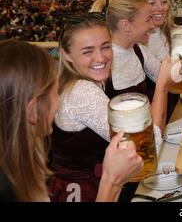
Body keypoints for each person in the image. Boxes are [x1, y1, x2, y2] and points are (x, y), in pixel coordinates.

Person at [0, 40, 143, 202]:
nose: (59, 102)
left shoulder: (24, 158)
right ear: (32, 111)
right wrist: (112, 181)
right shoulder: (7, 190)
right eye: (56, 93)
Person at [104, 0, 175, 131]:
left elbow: (169, 78)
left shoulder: (138, 50)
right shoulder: (103, 63)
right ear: (126, 26)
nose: (153, 25)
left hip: (149, 136)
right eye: (148, 19)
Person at [131, 0, 178, 120]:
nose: (160, 8)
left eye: (164, 2)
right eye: (151, 3)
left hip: (176, 104)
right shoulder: (137, 42)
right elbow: (165, 78)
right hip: (158, 114)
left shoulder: (168, 30)